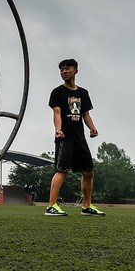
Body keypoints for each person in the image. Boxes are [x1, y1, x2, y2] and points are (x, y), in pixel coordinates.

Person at [45, 59, 105, 216]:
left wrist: (92, 127)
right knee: (62, 170)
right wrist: (58, 129)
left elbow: (85, 114)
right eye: (61, 69)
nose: (64, 71)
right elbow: (56, 113)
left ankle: (87, 207)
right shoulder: (57, 92)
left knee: (88, 172)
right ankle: (51, 206)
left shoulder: (83, 93)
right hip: (65, 137)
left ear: (76, 71)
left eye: (67, 68)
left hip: (80, 138)